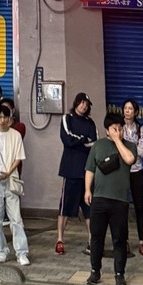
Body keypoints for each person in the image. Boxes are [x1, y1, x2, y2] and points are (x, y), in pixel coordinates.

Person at [84, 108, 136, 285]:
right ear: (106, 129)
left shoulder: (129, 146)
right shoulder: (98, 146)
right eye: (114, 128)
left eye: (120, 128)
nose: (118, 131)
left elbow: (129, 160)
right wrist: (87, 190)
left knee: (119, 239)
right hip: (99, 198)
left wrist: (117, 141)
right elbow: (90, 169)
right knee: (96, 237)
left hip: (120, 200)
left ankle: (119, 274)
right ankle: (94, 272)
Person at [56, 91, 96, 255]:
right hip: (70, 169)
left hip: (86, 170)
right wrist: (82, 139)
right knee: (65, 207)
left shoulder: (90, 122)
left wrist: (78, 141)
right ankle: (60, 240)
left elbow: (94, 142)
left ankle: (92, 241)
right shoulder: (67, 118)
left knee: (89, 208)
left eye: (86, 104)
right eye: (81, 102)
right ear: (76, 103)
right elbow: (67, 139)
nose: (84, 105)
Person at [0, 103, 29, 267]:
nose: (2, 120)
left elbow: (19, 157)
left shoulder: (15, 134)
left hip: (11, 179)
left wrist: (8, 172)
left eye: (5, 117)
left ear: (10, 119)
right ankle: (1, 250)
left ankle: (21, 252)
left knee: (16, 218)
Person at [121, 98, 143, 256]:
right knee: (122, 207)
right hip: (122, 172)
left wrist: (126, 146)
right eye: (125, 108)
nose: (127, 111)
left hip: (137, 171)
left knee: (139, 207)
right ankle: (124, 241)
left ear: (136, 112)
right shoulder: (118, 127)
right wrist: (131, 148)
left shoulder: (141, 129)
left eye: (130, 108)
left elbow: (141, 152)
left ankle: (141, 242)